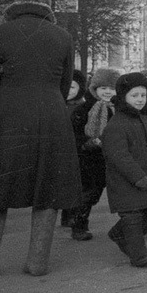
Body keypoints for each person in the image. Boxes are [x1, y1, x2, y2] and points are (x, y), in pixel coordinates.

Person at [0, 0, 81, 278]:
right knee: (48, 187)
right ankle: (37, 262)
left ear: (17, 3)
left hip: (6, 114)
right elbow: (66, 84)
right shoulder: (63, 36)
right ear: (48, 5)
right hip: (51, 114)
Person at [101, 72, 147, 268]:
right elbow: (118, 155)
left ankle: (119, 234)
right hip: (127, 182)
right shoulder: (117, 124)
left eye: (143, 95)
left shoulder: (144, 119)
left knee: (146, 208)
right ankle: (138, 254)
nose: (139, 100)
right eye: (134, 96)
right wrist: (137, 176)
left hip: (146, 177)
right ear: (123, 97)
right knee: (133, 217)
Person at [70, 66, 121, 241]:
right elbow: (75, 134)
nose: (107, 92)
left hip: (114, 158)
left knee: (123, 192)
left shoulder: (120, 109)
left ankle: (133, 223)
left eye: (111, 88)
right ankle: (79, 224)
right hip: (90, 160)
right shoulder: (85, 109)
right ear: (94, 89)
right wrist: (88, 143)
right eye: (103, 88)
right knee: (91, 193)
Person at [60, 69, 88, 229]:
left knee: (75, 185)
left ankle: (69, 215)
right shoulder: (56, 105)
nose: (68, 91)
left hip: (77, 151)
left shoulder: (81, 107)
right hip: (60, 150)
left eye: (72, 88)